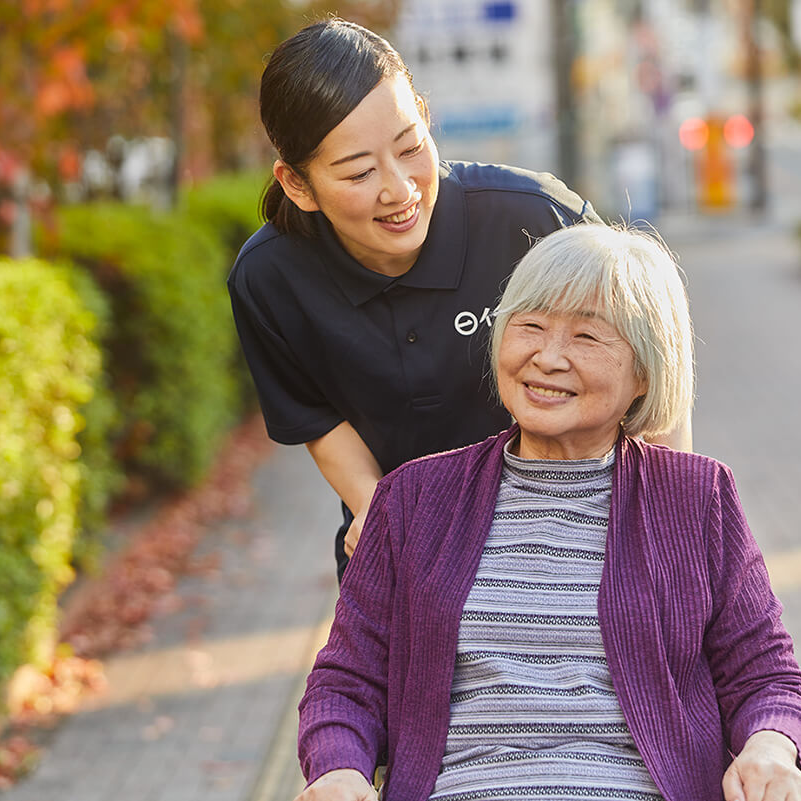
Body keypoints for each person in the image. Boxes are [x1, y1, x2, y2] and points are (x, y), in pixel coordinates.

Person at [295, 223, 801, 801]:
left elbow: (767, 676)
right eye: (531, 326)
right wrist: (337, 771)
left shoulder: (697, 498)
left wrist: (770, 747)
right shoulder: (414, 497)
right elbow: (346, 682)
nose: (547, 357)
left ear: (645, 372)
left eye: (587, 338)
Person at [227, 17, 691, 582]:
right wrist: (383, 517)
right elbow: (317, 420)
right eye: (358, 173)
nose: (399, 189)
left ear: (425, 116)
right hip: (409, 550)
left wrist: (668, 533)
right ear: (297, 185)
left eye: (410, 147)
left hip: (577, 539)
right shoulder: (270, 277)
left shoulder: (533, 218)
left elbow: (652, 366)